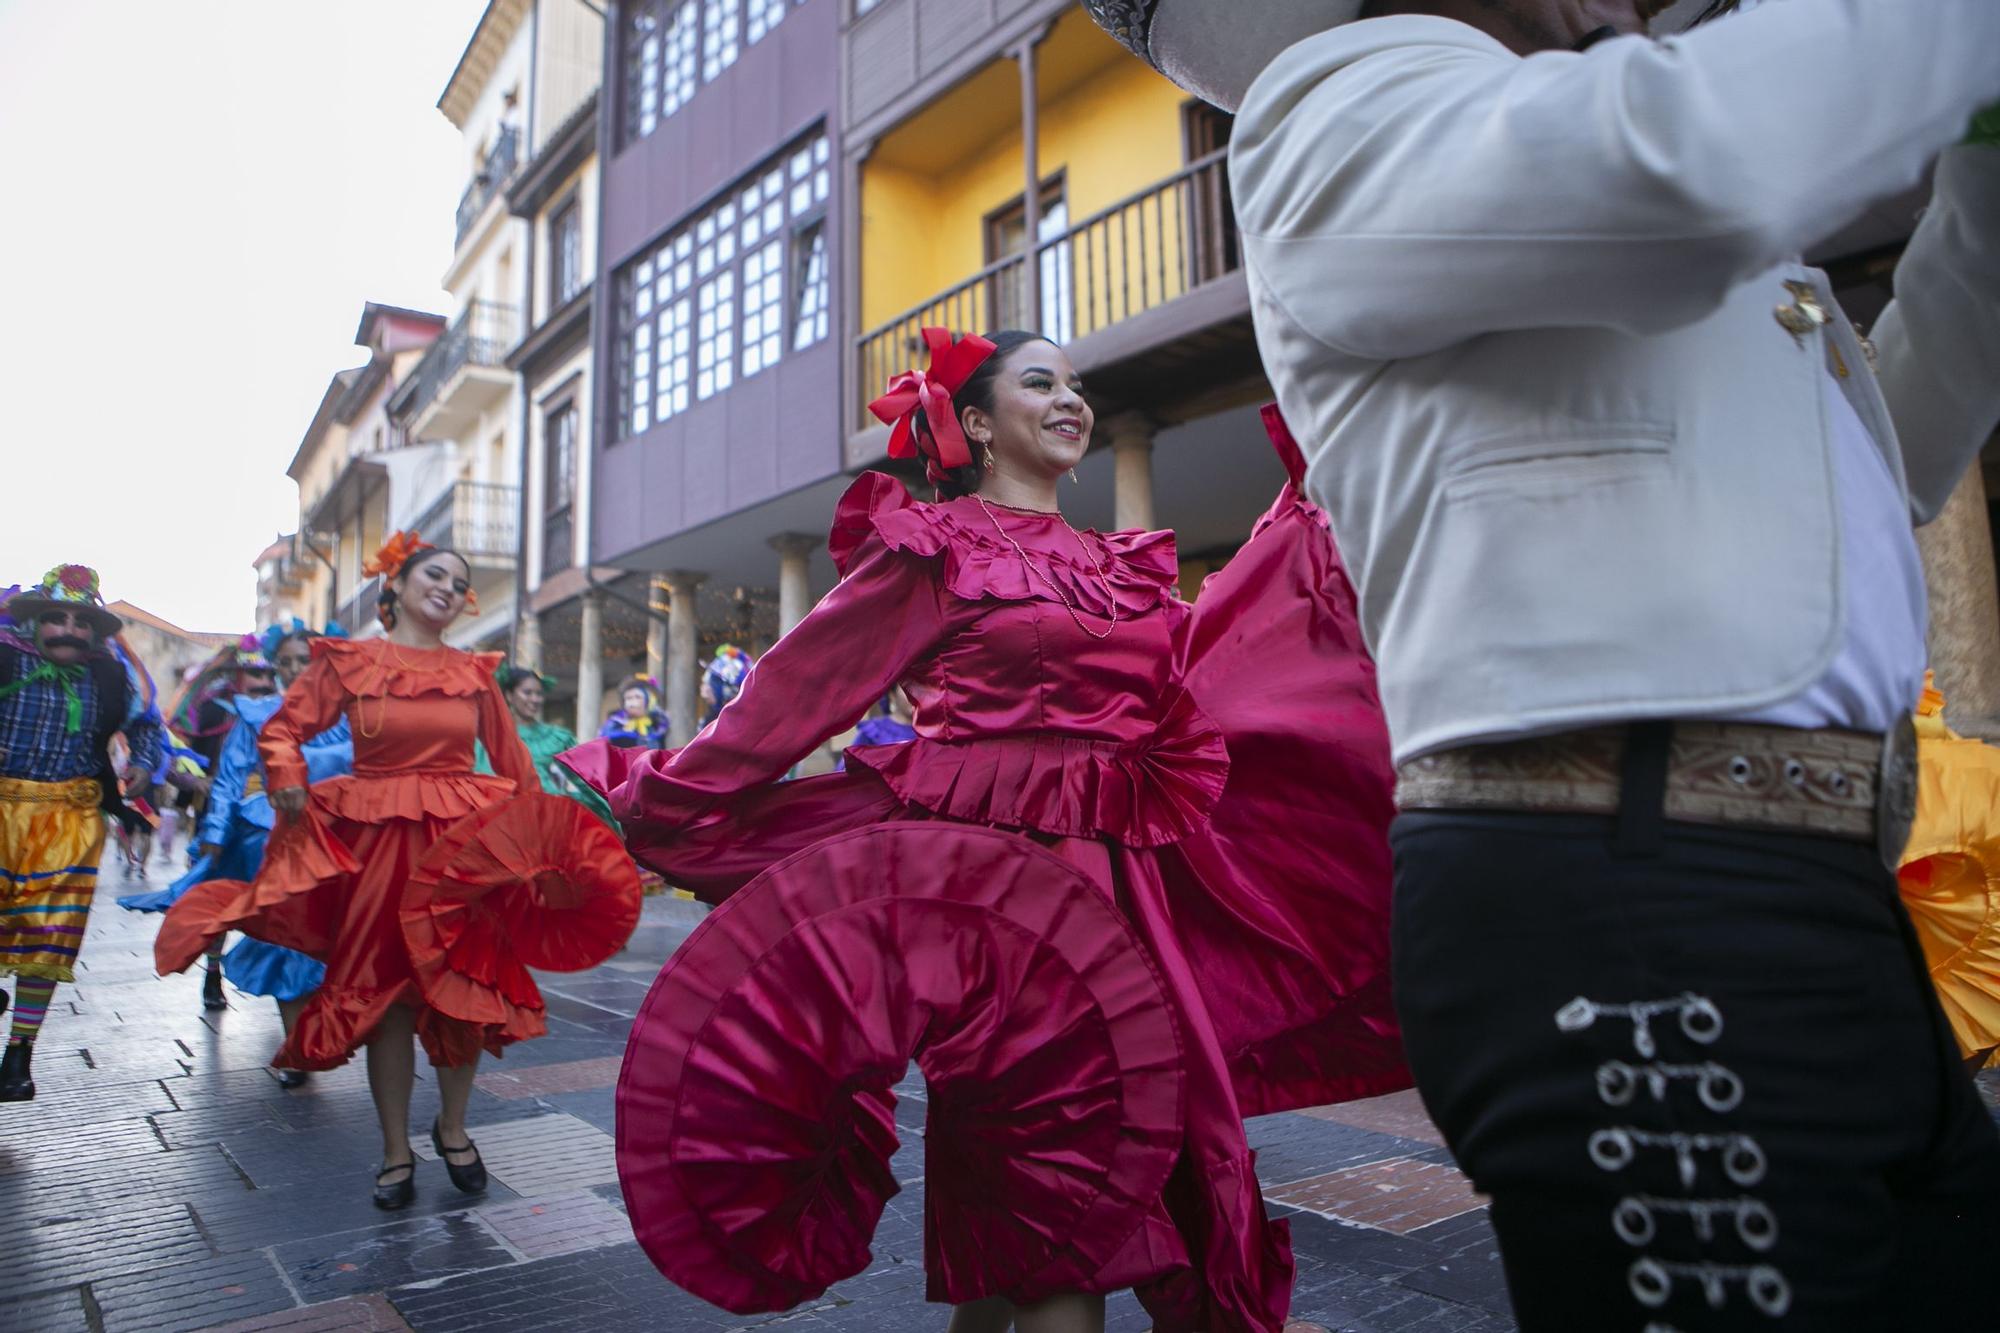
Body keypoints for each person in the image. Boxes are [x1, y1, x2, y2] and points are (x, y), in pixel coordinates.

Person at [1081, 0, 2000, 1327]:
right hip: (1631, 891)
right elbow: (1686, 169)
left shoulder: (1617, 188)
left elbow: (1893, 448)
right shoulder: (1344, 101)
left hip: (1803, 892)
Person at [562, 329, 1406, 1333]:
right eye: (1040, 382)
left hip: (1128, 888)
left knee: (1068, 1185)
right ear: (973, 421)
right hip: (997, 904)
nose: (1070, 400)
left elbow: (1197, 672)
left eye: (1077, 386)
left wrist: (1294, 538)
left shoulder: (1119, 565)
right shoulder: (937, 547)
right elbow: (796, 691)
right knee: (1062, 1195)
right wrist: (667, 789)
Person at [154, 533, 613, 1209]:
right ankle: (396, 1149)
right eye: (436, 574)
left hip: (460, 853)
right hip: (379, 853)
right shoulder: (349, 662)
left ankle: (453, 1129)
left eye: (459, 583)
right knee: (390, 1003)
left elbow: (513, 766)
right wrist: (284, 775)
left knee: (464, 992)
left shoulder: (475, 673)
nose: (450, 589)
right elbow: (281, 731)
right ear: (394, 585)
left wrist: (537, 847)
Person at [125, 622, 353, 1080]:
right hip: (271, 835)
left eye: (302, 659)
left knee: (339, 941)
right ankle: (297, 1049)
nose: (291, 669)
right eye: (284, 661)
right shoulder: (255, 713)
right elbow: (231, 778)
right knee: (289, 938)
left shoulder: (351, 714)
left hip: (339, 836)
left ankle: (322, 1033)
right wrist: (214, 832)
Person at [0, 566, 162, 1101]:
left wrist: (142, 764)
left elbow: (146, 725)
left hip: (70, 818)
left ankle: (20, 1053)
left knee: (50, 937)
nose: (68, 629)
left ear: (95, 630)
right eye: (56, 618)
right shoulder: (3, 657)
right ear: (34, 622)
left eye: (81, 621)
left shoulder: (111, 676)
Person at [489, 662, 616, 826]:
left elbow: (583, 780)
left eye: (539, 693)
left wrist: (608, 812)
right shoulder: (494, 736)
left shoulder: (557, 738)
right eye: (527, 693)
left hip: (551, 820)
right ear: (509, 695)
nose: (535, 699)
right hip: (509, 822)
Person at [598, 674, 668, 747]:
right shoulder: (613, 727)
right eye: (629, 698)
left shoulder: (659, 725)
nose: (633, 702)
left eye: (637, 697)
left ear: (649, 701)